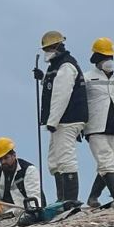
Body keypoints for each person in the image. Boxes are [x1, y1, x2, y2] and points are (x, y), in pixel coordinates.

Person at [33, 30, 88, 201]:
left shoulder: (66, 65)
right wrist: (43, 78)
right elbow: (54, 87)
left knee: (65, 158)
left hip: (68, 119)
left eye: (47, 48)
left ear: (56, 46)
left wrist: (52, 121)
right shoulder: (56, 66)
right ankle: (61, 199)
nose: (45, 52)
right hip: (60, 121)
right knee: (55, 161)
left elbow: (61, 96)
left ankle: (70, 200)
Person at [84, 37, 114, 206]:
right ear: (96, 58)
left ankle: (92, 197)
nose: (108, 60)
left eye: (110, 56)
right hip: (96, 128)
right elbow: (80, 103)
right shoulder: (86, 78)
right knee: (106, 162)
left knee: (112, 165)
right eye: (104, 57)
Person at [0, 138, 42, 216]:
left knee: (18, 212)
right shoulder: (0, 170)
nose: (3, 162)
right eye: (0, 159)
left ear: (14, 155)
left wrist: (33, 211)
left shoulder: (29, 170)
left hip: (23, 206)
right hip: (8, 206)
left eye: (6, 158)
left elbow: (34, 195)